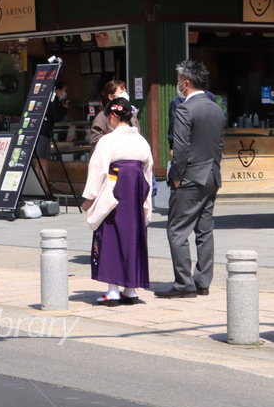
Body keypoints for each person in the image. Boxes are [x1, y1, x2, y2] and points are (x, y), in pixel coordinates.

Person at [157, 59, 226, 298]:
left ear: (186, 84)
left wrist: (176, 177)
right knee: (205, 232)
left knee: (177, 230)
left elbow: (180, 147)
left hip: (189, 177)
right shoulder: (216, 108)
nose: (178, 85)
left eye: (178, 82)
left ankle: (184, 283)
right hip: (212, 175)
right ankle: (202, 281)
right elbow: (219, 145)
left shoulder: (185, 108)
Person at [81, 98, 153, 305]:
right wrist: (146, 201)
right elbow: (148, 172)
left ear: (112, 116)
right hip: (136, 191)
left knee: (110, 236)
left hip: (114, 191)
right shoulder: (141, 141)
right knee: (134, 237)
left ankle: (113, 290)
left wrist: (89, 198)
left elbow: (97, 169)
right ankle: (130, 289)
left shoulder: (108, 141)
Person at [88, 79, 131, 149]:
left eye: (125, 91)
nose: (125, 95)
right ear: (111, 97)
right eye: (121, 92)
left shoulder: (130, 114)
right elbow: (95, 140)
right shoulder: (102, 116)